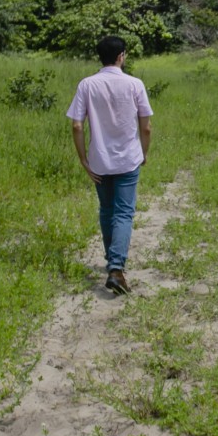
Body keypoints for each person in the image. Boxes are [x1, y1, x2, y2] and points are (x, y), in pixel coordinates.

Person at [67, 35, 154, 295]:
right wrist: (143, 152)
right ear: (121, 56)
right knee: (124, 212)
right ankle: (116, 268)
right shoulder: (135, 84)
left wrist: (83, 159)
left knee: (107, 210)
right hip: (128, 159)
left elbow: (77, 125)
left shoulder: (87, 84)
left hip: (99, 160)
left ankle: (111, 261)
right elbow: (146, 126)